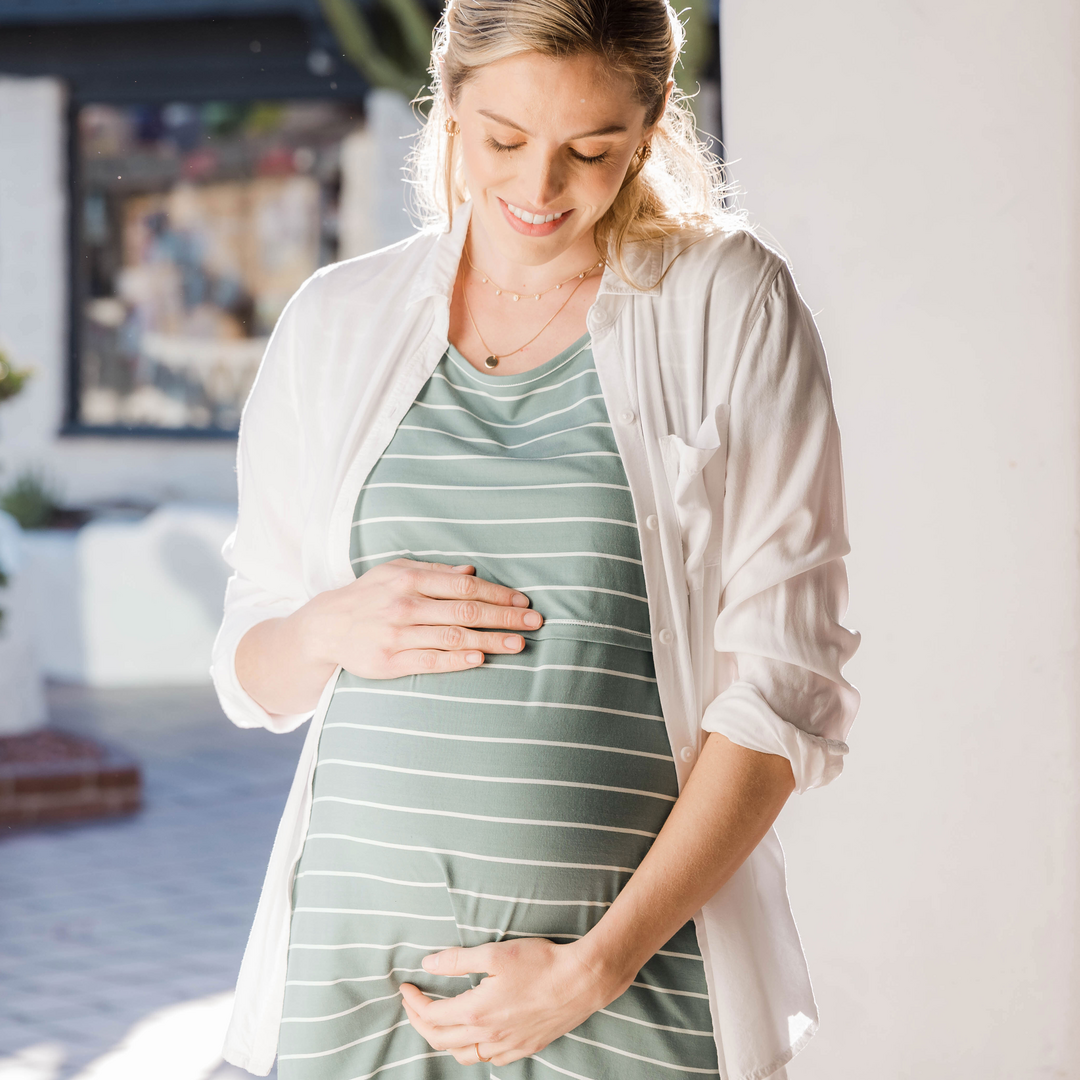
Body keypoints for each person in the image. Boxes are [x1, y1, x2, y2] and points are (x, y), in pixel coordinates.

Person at [211, 1, 861, 1078]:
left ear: (650, 125)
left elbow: (786, 687)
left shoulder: (725, 305)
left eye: (590, 150)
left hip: (625, 987)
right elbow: (250, 675)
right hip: (349, 989)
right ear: (450, 107)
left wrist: (596, 967)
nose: (539, 188)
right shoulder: (338, 320)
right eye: (504, 140)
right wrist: (330, 624)